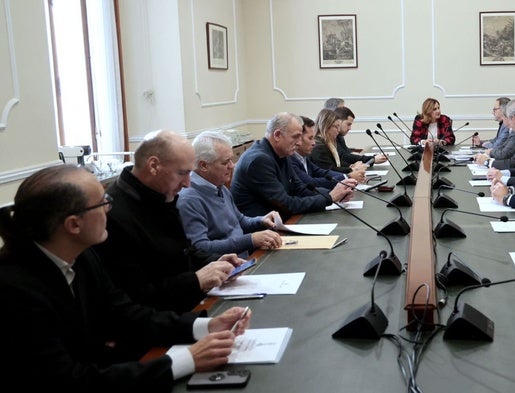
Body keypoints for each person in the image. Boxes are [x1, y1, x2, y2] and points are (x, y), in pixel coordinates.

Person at [0, 164, 251, 393]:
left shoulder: (82, 255)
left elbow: (125, 314)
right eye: (102, 202)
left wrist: (206, 327)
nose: (110, 208)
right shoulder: (15, 288)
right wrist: (187, 360)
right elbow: (68, 380)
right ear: (73, 225)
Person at [94, 130, 245, 314]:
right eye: (182, 173)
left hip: (188, 310)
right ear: (154, 166)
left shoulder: (161, 195)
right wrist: (196, 280)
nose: (188, 184)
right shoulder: (115, 215)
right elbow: (137, 295)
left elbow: (184, 250)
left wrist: (214, 261)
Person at [230, 112, 355, 220]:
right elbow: (286, 204)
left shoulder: (281, 153)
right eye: (295, 137)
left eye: (301, 137)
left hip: (282, 222)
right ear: (277, 135)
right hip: (264, 233)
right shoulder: (259, 160)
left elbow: (300, 189)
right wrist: (329, 197)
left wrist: (337, 193)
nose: (299, 143)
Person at [177, 131, 282, 259]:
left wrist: (261, 220)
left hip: (243, 262)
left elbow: (240, 221)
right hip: (224, 271)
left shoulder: (219, 185)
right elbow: (201, 248)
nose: (232, 166)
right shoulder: (189, 199)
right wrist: (251, 240)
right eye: (225, 162)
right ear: (203, 165)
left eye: (231, 160)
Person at [290, 116, 358, 189]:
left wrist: (348, 177)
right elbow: (311, 183)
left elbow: (321, 172)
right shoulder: (291, 160)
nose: (314, 143)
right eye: (310, 138)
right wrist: (347, 176)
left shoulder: (304, 157)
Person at [475, 99, 515, 170]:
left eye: (506, 117)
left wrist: (487, 162)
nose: (505, 121)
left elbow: (513, 163)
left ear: (513, 119)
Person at [310, 108, 368, 181]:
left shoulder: (328, 142)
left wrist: (351, 166)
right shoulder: (319, 147)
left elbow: (338, 163)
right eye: (336, 126)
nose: (338, 130)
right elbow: (330, 170)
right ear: (326, 126)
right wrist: (352, 169)